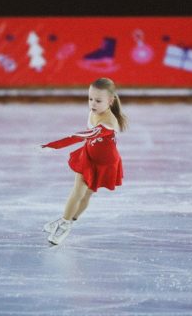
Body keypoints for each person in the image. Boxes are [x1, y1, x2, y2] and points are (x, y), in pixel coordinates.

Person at [41, 77, 127, 245]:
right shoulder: (94, 112)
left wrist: (54, 145)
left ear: (110, 101)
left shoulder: (109, 122)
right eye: (90, 99)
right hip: (89, 157)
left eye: (97, 100)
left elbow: (82, 135)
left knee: (86, 194)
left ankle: (67, 222)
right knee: (78, 192)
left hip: (105, 163)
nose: (92, 104)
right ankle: (65, 221)